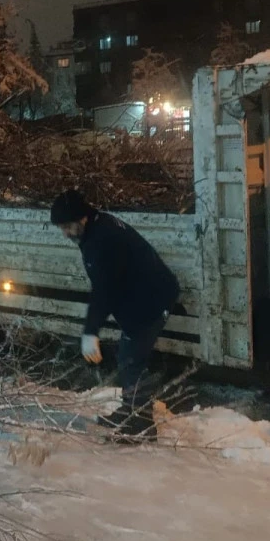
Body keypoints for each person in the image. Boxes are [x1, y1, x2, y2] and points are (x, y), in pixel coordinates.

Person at [50, 189, 180, 443]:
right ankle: (130, 410)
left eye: (67, 226)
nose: (65, 233)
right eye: (61, 228)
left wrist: (90, 331)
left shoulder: (101, 240)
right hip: (142, 294)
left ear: (81, 219)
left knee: (132, 360)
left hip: (151, 300)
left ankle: (140, 426)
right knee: (127, 357)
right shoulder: (98, 227)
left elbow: (104, 291)